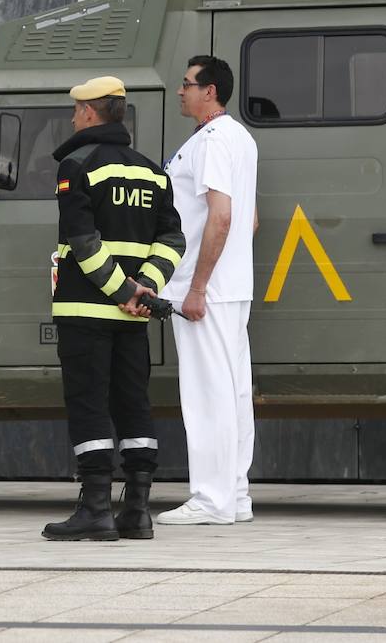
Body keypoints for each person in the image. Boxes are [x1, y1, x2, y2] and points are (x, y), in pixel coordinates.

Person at [43, 76, 185, 542]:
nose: (72, 117)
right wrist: (145, 287)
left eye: (76, 110)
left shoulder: (77, 165)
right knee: (133, 405)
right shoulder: (151, 172)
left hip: (88, 310)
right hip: (134, 318)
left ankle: (96, 509)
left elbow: (82, 239)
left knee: (89, 405)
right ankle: (138, 511)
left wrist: (120, 289)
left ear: (89, 113)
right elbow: (172, 238)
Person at [156, 56, 259, 526]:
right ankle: (234, 495)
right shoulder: (240, 138)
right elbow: (249, 220)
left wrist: (197, 287)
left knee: (207, 393)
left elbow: (220, 216)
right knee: (233, 390)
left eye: (187, 84)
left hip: (207, 290)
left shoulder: (213, 142)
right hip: (232, 286)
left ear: (210, 91)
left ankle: (211, 499)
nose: (180, 91)